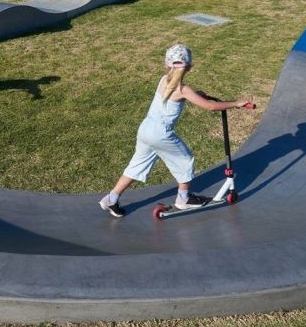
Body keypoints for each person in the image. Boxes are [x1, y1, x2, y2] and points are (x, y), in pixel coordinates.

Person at [98, 43, 250, 218]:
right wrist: (236, 103)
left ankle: (112, 197)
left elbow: (178, 96)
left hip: (146, 129)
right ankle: (183, 198)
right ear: (190, 67)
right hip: (160, 134)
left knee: (137, 165)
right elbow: (210, 106)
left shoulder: (164, 80)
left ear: (166, 65)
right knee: (185, 159)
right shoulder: (183, 89)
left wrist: (196, 94)